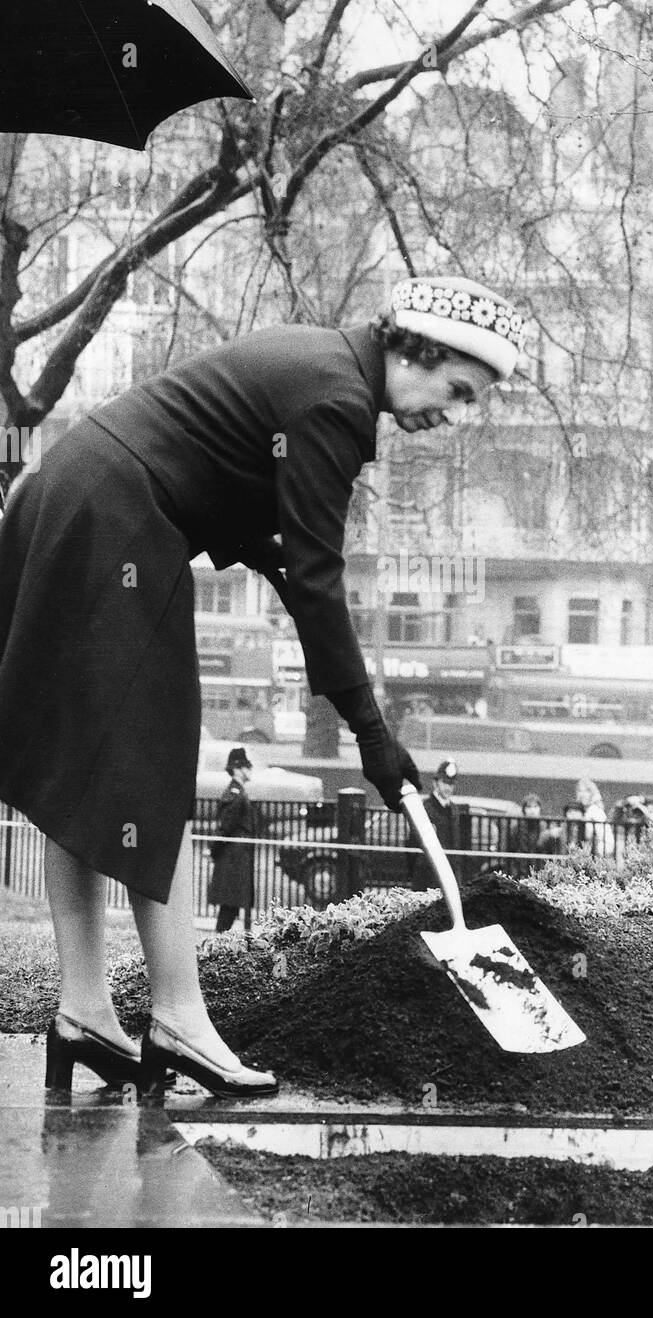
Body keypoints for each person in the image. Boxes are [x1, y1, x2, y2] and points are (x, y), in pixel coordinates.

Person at [0, 274, 524, 1098]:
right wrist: (371, 730)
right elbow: (318, 574)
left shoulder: (318, 358)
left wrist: (261, 548)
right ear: (417, 350)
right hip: (116, 520)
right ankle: (177, 1019)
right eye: (456, 389)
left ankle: (85, 1010)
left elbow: (219, 464)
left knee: (88, 768)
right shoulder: (336, 400)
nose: (450, 413)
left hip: (72, 496)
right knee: (151, 772)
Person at [208, 748, 258, 933]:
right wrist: (213, 850)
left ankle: (219, 941)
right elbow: (226, 827)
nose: (249, 771)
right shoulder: (235, 794)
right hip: (233, 859)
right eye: (246, 767)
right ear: (237, 769)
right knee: (230, 906)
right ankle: (217, 942)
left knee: (232, 906)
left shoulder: (237, 792)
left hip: (236, 857)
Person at [410, 758, 463, 891]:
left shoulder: (454, 809)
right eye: (444, 782)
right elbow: (413, 843)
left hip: (449, 875)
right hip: (428, 875)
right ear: (435, 783)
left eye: (451, 784)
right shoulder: (425, 808)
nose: (448, 788)